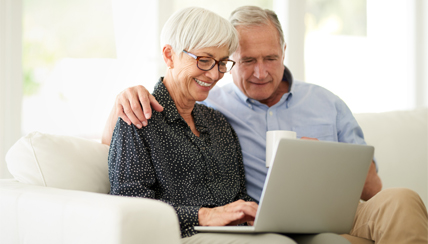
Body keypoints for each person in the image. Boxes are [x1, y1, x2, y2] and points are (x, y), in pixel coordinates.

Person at [104, 5, 428, 244]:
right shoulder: (206, 102)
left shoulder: (322, 103)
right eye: (246, 61)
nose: (260, 73)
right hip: (260, 225)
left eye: (270, 58)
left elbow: (374, 189)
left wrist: (326, 162)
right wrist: (126, 98)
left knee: (403, 199)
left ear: (284, 52)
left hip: (330, 211)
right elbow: (118, 150)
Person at [107, 6, 306, 244]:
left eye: (222, 63)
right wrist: (204, 216)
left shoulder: (219, 123)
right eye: (204, 61)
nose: (214, 75)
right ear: (169, 56)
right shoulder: (139, 118)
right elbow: (130, 204)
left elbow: (238, 196)